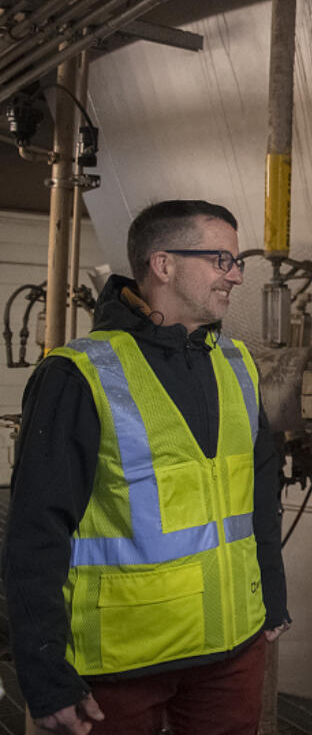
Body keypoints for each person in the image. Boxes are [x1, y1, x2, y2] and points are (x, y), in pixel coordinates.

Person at [4, 200, 291, 735]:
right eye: (221, 260)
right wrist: (43, 675)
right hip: (120, 663)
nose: (236, 276)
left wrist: (271, 597)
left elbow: (260, 492)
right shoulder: (80, 373)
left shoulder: (237, 363)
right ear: (164, 264)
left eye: (236, 262)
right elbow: (34, 531)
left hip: (231, 648)